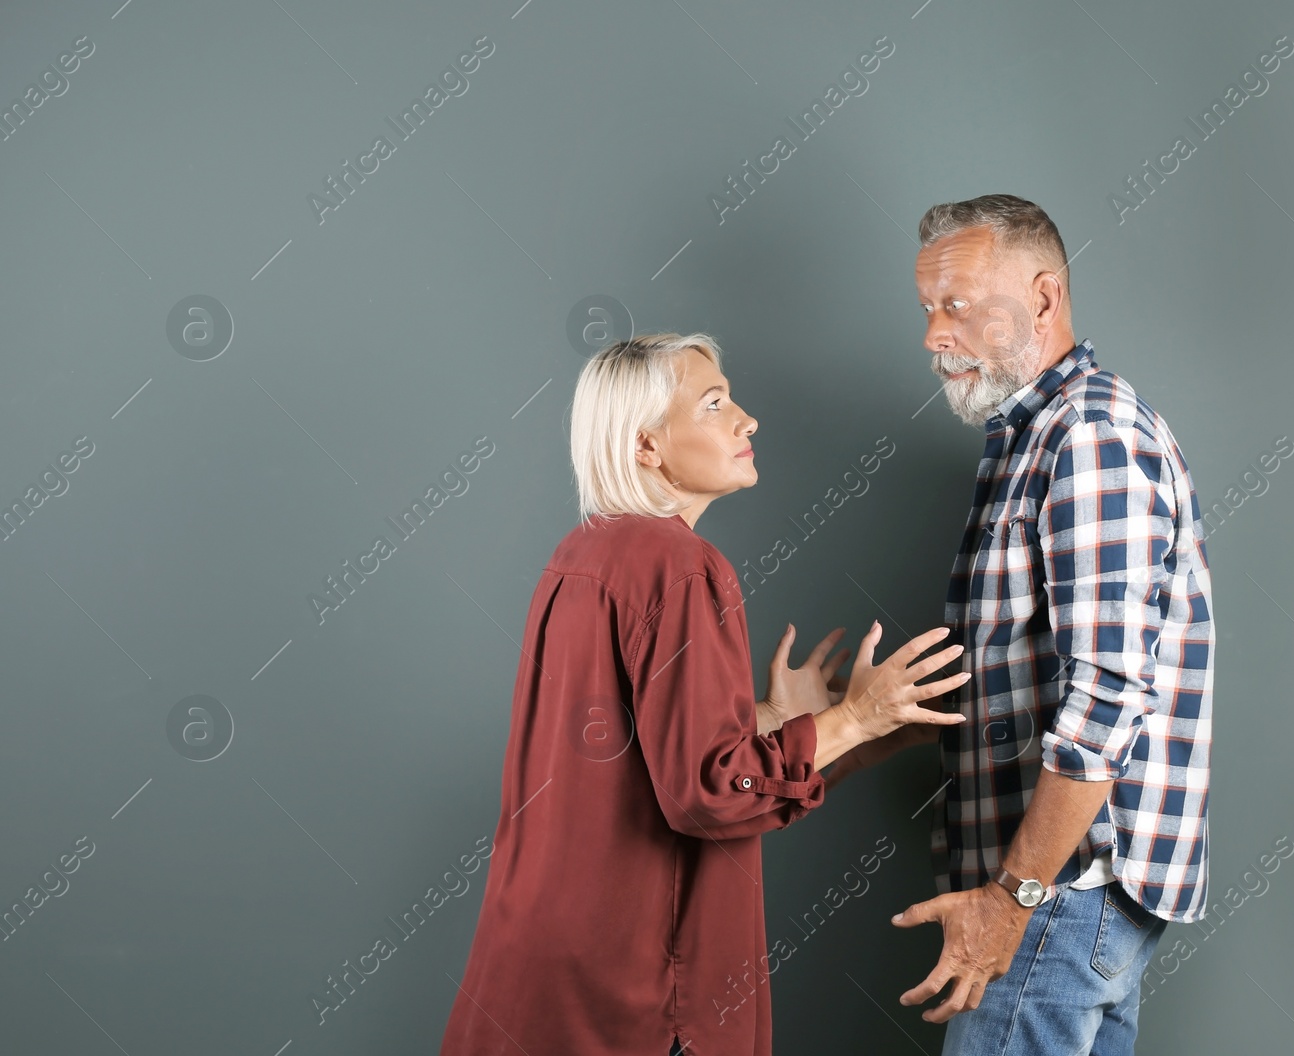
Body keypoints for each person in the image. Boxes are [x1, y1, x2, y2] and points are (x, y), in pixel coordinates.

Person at [435, 332, 971, 1056]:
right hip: (638, 1001)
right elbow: (705, 793)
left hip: (538, 974)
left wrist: (782, 719)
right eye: (714, 404)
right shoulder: (682, 567)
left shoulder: (582, 555)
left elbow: (628, 760)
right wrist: (856, 715)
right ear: (647, 446)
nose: (746, 420)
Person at [832, 194, 1216, 1054]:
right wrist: (843, 725)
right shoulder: (1029, 438)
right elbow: (1013, 677)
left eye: (957, 304)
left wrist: (1014, 898)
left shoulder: (1087, 436)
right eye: (927, 308)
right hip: (1066, 887)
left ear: (1042, 300)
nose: (933, 334)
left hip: (1063, 886)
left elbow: (1108, 692)